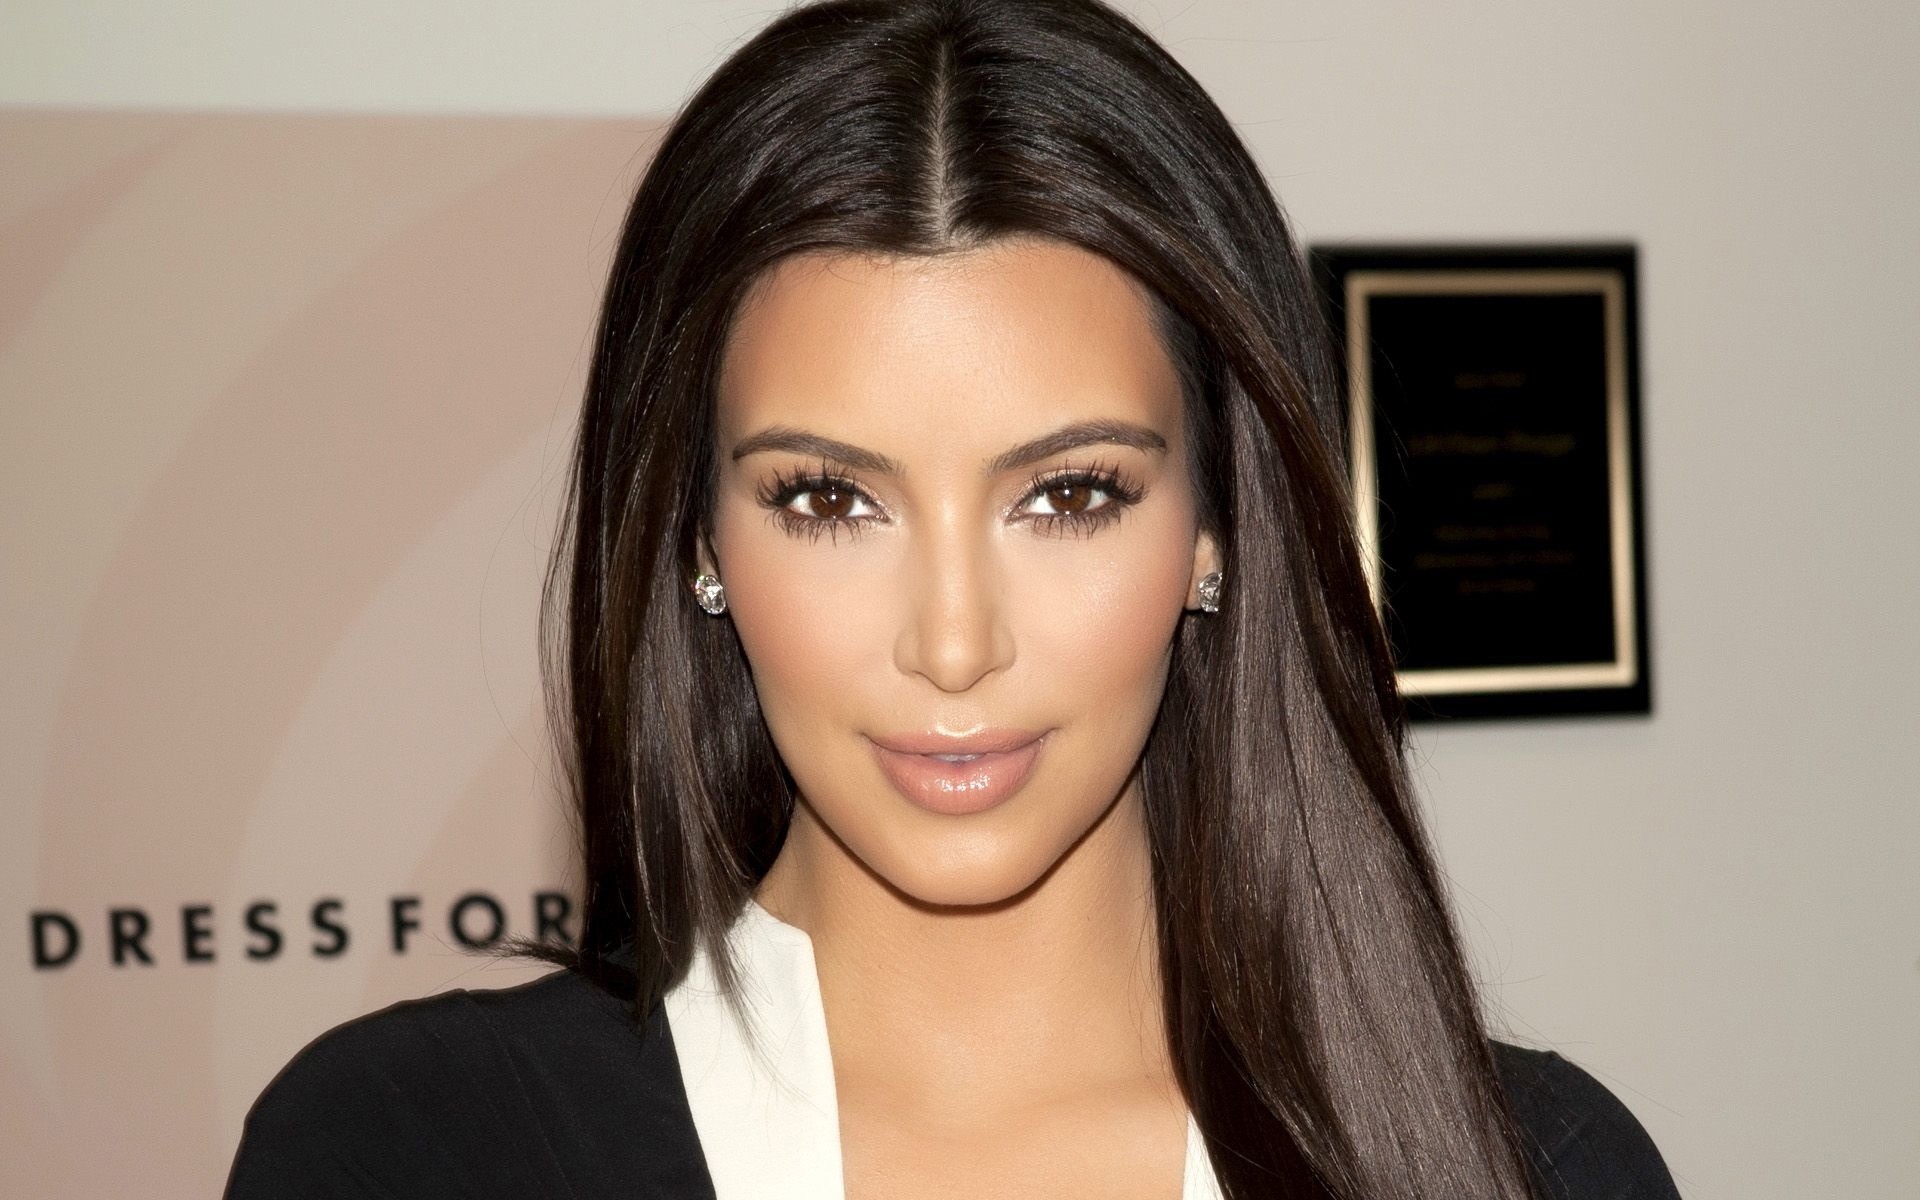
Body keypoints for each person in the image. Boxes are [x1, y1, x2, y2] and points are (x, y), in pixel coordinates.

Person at [225, 1, 1684, 1197]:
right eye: (828, 501)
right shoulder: (408, 1151)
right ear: (693, 538)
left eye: (1069, 495)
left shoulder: (1533, 1167)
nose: (953, 642)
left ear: (1218, 526)